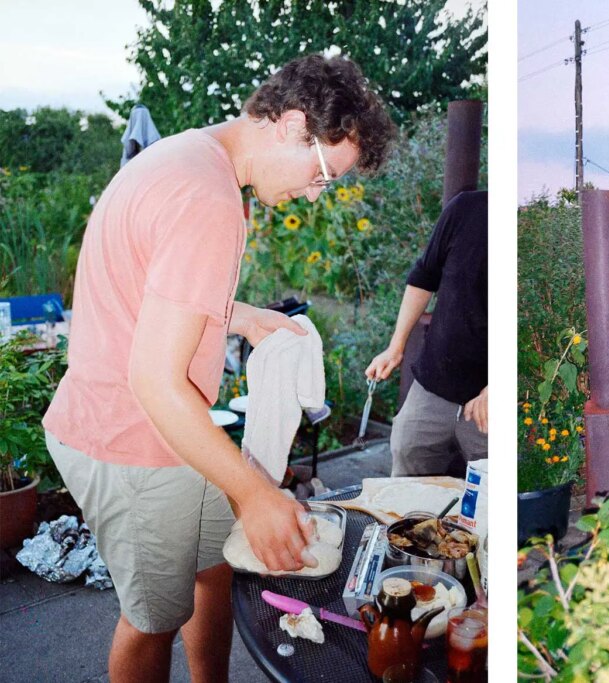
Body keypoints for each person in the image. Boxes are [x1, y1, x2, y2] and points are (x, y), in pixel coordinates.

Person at [42, 54, 395, 683]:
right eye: (322, 175)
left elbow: (151, 286)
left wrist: (240, 314)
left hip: (162, 428)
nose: (316, 195)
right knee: (151, 619)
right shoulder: (207, 197)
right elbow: (155, 382)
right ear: (290, 125)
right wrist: (257, 492)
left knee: (214, 570)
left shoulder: (189, 155)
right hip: (132, 441)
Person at [365, 190, 487, 475]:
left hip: (488, 405)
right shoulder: (464, 209)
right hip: (435, 382)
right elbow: (424, 276)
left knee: (486, 498)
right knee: (406, 451)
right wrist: (396, 347)